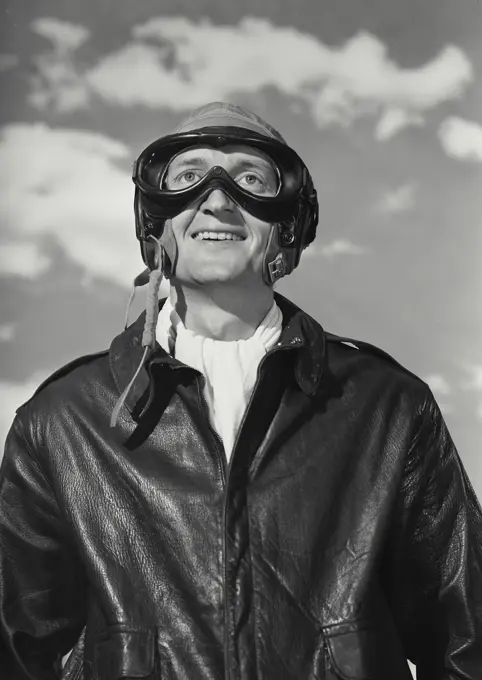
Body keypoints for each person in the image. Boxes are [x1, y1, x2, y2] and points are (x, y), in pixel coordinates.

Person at [0, 101, 481, 680]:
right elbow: (21, 655)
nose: (219, 199)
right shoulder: (62, 422)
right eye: (188, 177)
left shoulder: (388, 409)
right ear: (154, 216)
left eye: (251, 178)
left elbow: (465, 644)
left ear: (287, 223)